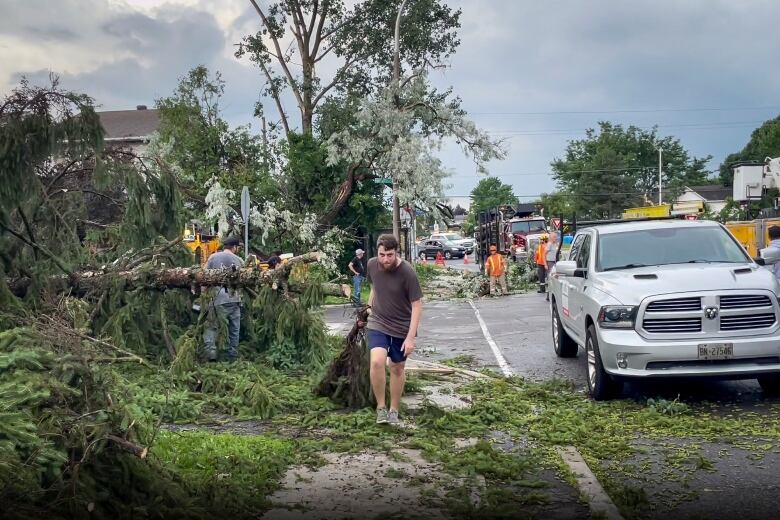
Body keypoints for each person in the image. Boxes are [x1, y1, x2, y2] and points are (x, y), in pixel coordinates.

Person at [366, 234, 423, 426]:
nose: (385, 259)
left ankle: (394, 410)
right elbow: (374, 287)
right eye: (382, 254)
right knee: (377, 362)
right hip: (378, 322)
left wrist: (410, 338)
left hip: (401, 326)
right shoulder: (372, 265)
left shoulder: (407, 272)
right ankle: (381, 408)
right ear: (377, 252)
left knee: (397, 368)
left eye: (389, 255)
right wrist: (367, 310)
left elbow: (417, 305)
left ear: (396, 252)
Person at [202, 236, 244, 362]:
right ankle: (232, 356)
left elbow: (203, 276)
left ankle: (211, 354)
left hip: (216, 298)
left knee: (211, 326)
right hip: (234, 298)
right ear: (234, 247)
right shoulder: (239, 260)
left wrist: (203, 295)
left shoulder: (213, 257)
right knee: (234, 328)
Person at [545, 232, 559, 301]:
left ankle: (551, 294)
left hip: (554, 262)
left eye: (556, 237)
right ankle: (548, 296)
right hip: (550, 262)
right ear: (550, 237)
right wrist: (545, 264)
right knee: (550, 278)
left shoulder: (555, 244)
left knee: (554, 278)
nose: (555, 238)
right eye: (554, 237)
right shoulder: (549, 244)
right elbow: (544, 255)